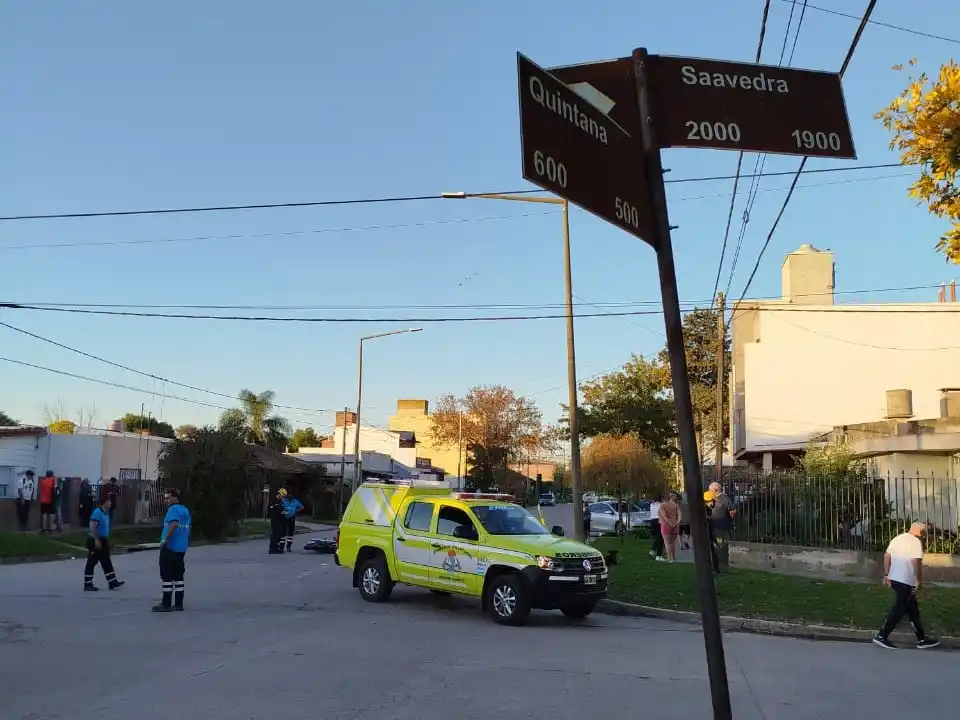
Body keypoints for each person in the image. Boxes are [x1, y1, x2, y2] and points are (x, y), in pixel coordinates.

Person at [873, 522, 940, 650]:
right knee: (900, 608)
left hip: (895, 579)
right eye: (924, 532)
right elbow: (916, 562)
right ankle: (881, 636)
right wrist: (918, 580)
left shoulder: (898, 538)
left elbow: (887, 556)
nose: (924, 536)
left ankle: (922, 639)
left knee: (912, 609)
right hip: (905, 581)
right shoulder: (915, 542)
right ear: (920, 532)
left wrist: (887, 574)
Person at [153, 488, 191, 613]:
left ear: (175, 498)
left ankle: (166, 603)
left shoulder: (173, 510)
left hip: (170, 547)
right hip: (181, 548)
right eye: (165, 498)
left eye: (168, 498)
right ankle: (179, 604)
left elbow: (173, 524)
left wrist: (165, 539)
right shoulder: (185, 510)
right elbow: (188, 528)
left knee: (167, 575)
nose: (166, 501)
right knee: (178, 576)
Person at [83, 495, 124, 591]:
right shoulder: (97, 512)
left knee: (106, 561)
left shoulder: (106, 513)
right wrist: (96, 540)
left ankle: (112, 582)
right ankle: (88, 584)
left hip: (103, 540)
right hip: (95, 540)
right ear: (104, 503)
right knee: (91, 562)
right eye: (108, 502)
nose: (110, 504)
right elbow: (93, 526)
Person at [706, 482, 736, 574]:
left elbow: (733, 510)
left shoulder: (724, 498)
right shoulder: (711, 499)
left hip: (722, 527)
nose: (709, 491)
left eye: (710, 489)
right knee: (714, 547)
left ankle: (722, 567)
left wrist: (728, 520)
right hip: (713, 526)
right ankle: (716, 567)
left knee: (721, 547)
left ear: (715, 489)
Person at [659, 492, 682, 563]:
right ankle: (674, 558)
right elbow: (680, 514)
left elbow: (664, 515)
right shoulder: (675, 505)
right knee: (672, 543)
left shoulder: (662, 505)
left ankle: (669, 559)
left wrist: (669, 523)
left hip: (666, 525)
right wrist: (677, 522)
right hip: (675, 525)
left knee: (667, 543)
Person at [281, 488, 304, 553]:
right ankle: (282, 546)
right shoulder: (283, 500)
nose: (290, 496)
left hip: (291, 517)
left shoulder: (295, 501)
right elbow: (280, 507)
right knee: (283, 532)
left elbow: (302, 507)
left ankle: (288, 546)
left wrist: (296, 511)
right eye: (289, 495)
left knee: (290, 532)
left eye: (291, 495)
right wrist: (282, 512)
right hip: (284, 517)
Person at [268, 488, 287, 554]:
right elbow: (272, 510)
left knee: (279, 534)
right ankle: (272, 549)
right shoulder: (274, 500)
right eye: (283, 496)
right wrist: (280, 512)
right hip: (275, 520)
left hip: (280, 520)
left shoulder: (280, 501)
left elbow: (281, 508)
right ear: (280, 494)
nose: (283, 497)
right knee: (275, 534)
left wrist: (284, 512)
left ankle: (276, 547)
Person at [648, 496, 664, 561]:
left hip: (652, 521)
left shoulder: (652, 505)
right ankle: (657, 554)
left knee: (657, 536)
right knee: (661, 538)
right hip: (659, 520)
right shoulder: (661, 505)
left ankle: (655, 551)